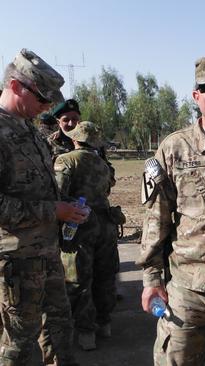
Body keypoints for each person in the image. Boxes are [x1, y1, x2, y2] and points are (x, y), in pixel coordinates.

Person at [0, 48, 88, 365]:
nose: (47, 107)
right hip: (17, 261)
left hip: (47, 252)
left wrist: (63, 206)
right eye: (42, 99)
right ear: (14, 86)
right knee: (19, 343)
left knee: (61, 326)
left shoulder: (30, 129)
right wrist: (52, 211)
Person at [53, 121, 120, 350]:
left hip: (80, 226)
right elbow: (107, 188)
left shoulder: (65, 161)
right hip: (106, 225)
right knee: (105, 275)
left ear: (74, 139)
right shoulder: (103, 164)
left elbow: (59, 193)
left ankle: (86, 332)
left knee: (79, 279)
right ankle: (105, 323)